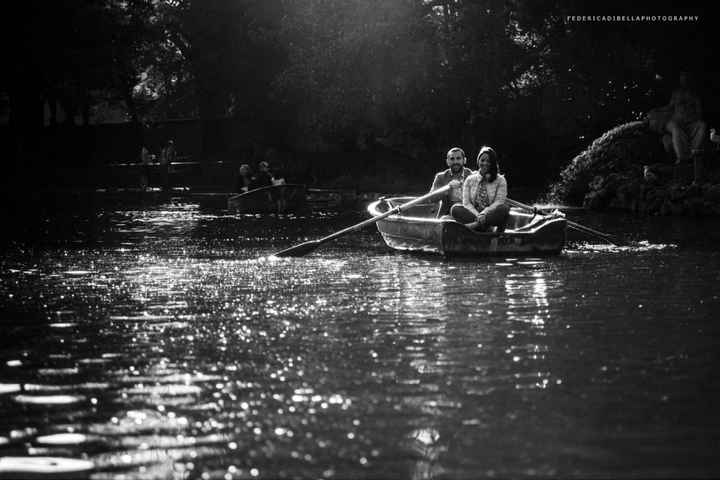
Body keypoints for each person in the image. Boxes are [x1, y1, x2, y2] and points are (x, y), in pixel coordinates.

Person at [450, 146, 510, 231]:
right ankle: (483, 226)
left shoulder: (500, 180)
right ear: (478, 161)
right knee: (455, 209)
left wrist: (484, 214)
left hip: (491, 214)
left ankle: (475, 225)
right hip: (474, 214)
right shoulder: (470, 179)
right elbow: (466, 203)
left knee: (504, 208)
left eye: (488, 161)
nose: (485, 163)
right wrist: (478, 215)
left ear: (493, 162)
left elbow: (499, 201)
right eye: (482, 160)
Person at [429, 147, 473, 217]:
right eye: (452, 159)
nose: (455, 162)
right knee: (445, 219)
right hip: (447, 215)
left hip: (468, 214)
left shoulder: (472, 176)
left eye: (458, 158)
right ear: (447, 162)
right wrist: (447, 189)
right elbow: (431, 198)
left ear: (464, 160)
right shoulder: (441, 177)